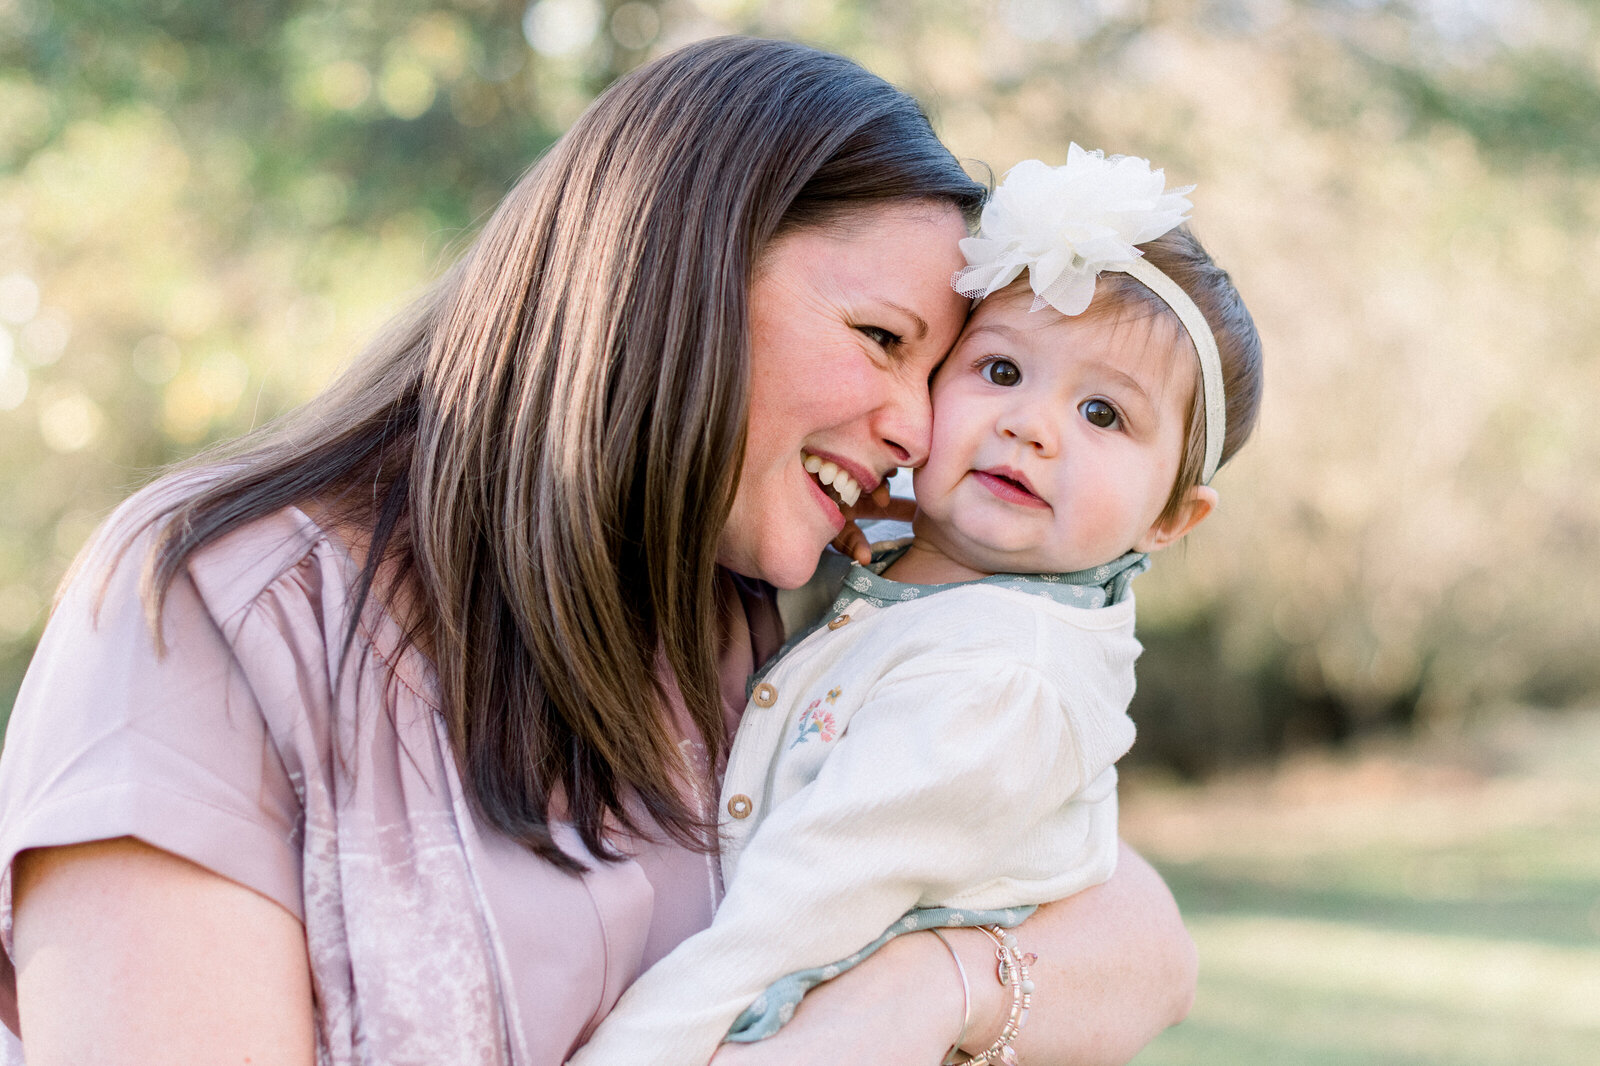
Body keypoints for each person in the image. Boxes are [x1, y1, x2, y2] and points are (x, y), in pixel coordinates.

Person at [0, 39, 1196, 1066]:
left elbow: (1137, 931)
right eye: (881, 338)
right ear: (677, 274)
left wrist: (917, 995)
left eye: (936, 374)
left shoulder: (725, 629)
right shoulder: (224, 607)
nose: (918, 427)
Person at [566, 148, 1264, 1066]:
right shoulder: (928, 590)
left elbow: (796, 908)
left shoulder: (1002, 677)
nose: (1030, 424)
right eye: (1002, 371)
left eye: (1104, 415)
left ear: (1173, 516)